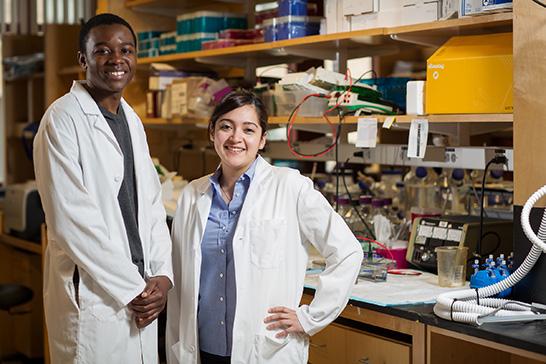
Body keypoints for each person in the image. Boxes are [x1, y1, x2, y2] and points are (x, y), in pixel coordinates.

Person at [166, 90, 363, 364]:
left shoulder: (291, 187)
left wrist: (310, 318)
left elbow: (348, 252)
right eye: (226, 127)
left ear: (262, 139)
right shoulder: (192, 195)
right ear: (212, 133)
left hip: (265, 349)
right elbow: (180, 286)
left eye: (248, 129)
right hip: (202, 348)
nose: (236, 138)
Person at [33, 13, 173, 363]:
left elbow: (152, 206)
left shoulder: (132, 120)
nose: (116, 59)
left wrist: (162, 275)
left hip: (140, 291)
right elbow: (72, 222)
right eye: (103, 50)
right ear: (83, 59)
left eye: (126, 50)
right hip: (97, 293)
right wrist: (133, 287)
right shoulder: (62, 119)